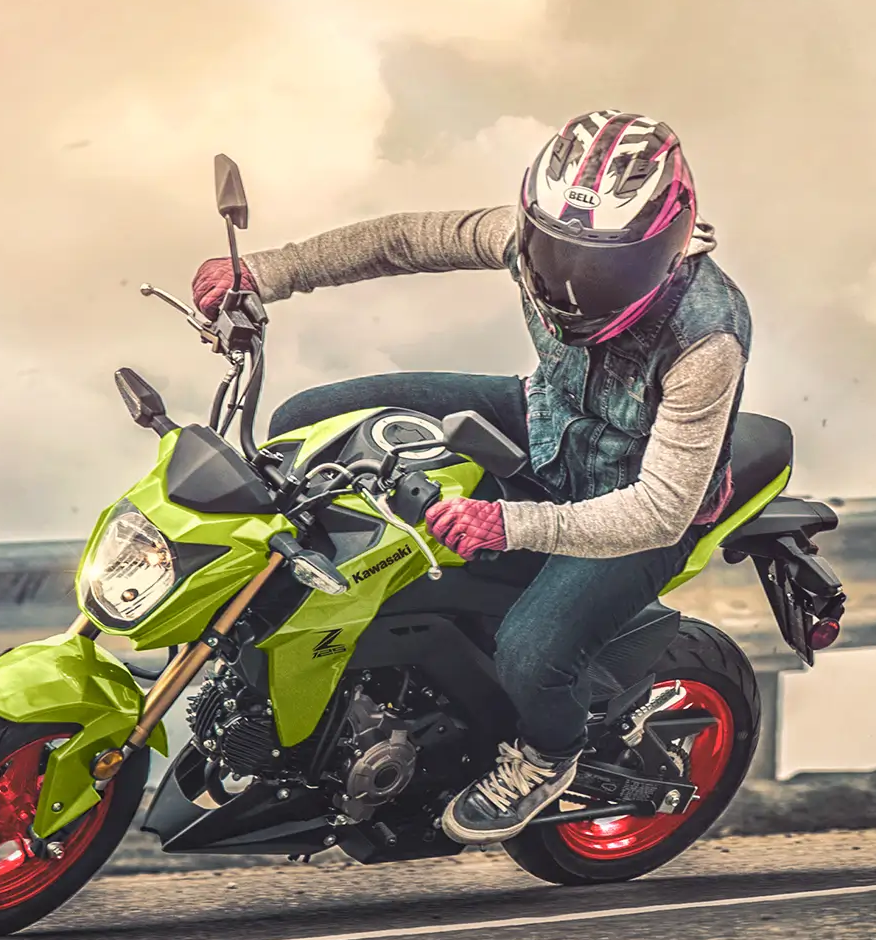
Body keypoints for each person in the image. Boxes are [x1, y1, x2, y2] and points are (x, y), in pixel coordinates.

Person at [191, 111, 752, 844]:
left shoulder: (707, 337)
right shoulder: (525, 240)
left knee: (533, 648)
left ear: (672, 243)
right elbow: (399, 240)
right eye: (556, 252)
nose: (574, 286)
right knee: (308, 421)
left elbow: (659, 510)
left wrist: (506, 523)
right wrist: (266, 271)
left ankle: (549, 754)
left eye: (607, 267)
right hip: (545, 417)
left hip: (640, 499)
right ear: (531, 221)